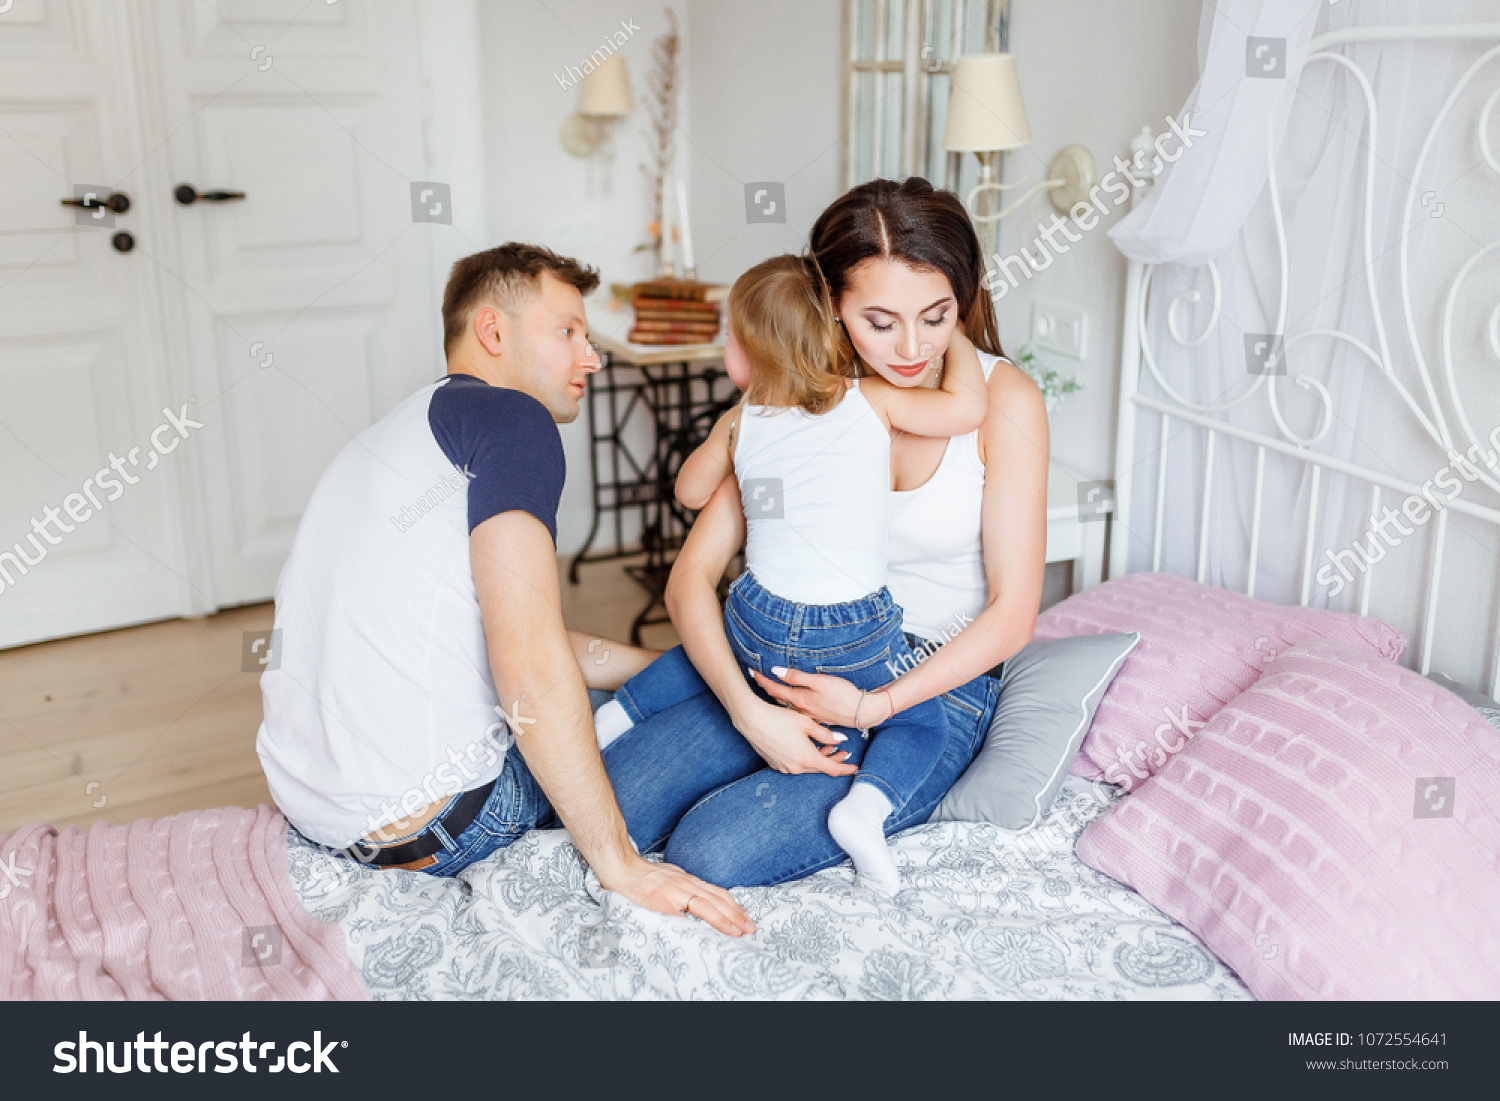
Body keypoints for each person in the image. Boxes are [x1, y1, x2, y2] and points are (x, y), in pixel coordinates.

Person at [255, 242, 754, 938]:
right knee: (729, 713)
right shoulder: (512, 421)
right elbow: (527, 663)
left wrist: (665, 668)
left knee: (669, 686)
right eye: (568, 332)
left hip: (322, 811)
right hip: (434, 823)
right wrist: (621, 864)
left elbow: (513, 632)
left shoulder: (393, 433)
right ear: (493, 331)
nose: (593, 357)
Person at [599, 178, 1050, 888]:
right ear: (831, 307)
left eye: (936, 316)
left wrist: (875, 704)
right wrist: (750, 715)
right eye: (879, 321)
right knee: (612, 804)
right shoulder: (800, 395)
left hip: (928, 683)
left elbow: (1014, 613)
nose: (911, 347)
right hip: (792, 659)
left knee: (709, 851)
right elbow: (690, 578)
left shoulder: (1003, 401)